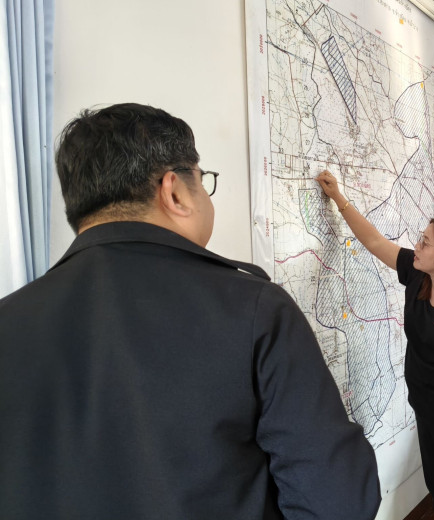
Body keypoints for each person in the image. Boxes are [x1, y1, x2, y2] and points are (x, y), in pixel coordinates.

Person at [0, 103, 380, 520]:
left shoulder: (10, 319)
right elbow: (336, 502)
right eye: (203, 181)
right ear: (175, 192)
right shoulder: (254, 308)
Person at [315, 170, 434, 520]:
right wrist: (339, 198)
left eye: (425, 242)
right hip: (427, 408)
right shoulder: (419, 276)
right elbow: (375, 242)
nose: (416, 246)